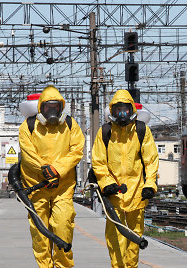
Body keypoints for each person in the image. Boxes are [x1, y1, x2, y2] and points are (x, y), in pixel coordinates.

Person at [19, 85, 85, 268]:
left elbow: (77, 150)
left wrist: (56, 170)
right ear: (41, 108)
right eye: (48, 107)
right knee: (40, 234)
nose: (52, 111)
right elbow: (28, 154)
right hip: (36, 188)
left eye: (56, 107)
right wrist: (44, 170)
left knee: (63, 226)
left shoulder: (70, 125)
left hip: (62, 187)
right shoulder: (28, 126)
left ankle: (64, 265)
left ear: (61, 107)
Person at [92, 89, 159, 268]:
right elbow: (98, 162)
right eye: (118, 111)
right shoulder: (105, 132)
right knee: (115, 238)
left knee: (134, 237)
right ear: (112, 112)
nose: (122, 115)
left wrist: (150, 185)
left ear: (131, 110)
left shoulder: (141, 131)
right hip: (114, 196)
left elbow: (151, 160)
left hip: (137, 195)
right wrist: (107, 184)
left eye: (125, 111)